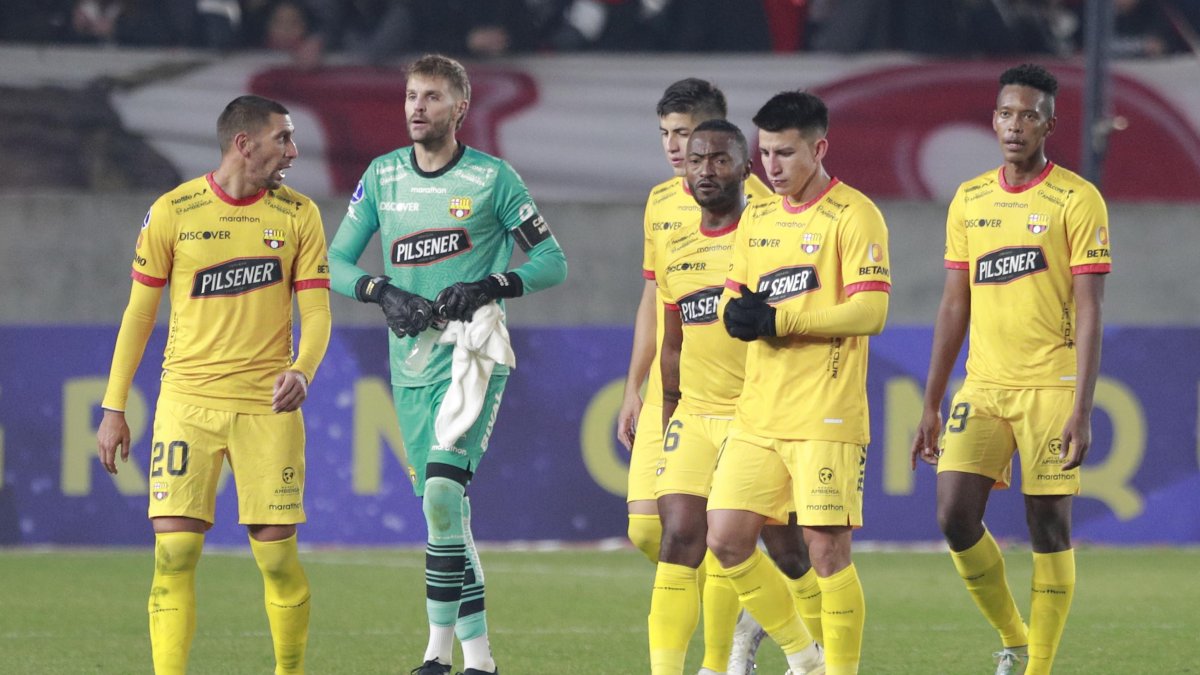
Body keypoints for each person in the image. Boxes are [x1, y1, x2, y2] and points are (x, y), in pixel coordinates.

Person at [327, 54, 567, 675]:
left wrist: (492, 284)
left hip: (473, 357)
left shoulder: (493, 179)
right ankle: (481, 663)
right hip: (409, 365)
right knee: (445, 512)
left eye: (432, 97)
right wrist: (382, 291)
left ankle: (436, 657)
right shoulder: (382, 177)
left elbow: (552, 261)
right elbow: (338, 262)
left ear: (460, 108)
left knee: (440, 493)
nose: (416, 107)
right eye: (411, 95)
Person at [96, 94, 331, 674]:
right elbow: (139, 315)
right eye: (283, 139)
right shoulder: (174, 211)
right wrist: (114, 405)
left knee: (276, 559)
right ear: (244, 144)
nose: (293, 151)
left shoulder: (299, 214)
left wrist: (302, 369)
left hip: (265, 408)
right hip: (187, 403)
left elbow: (319, 313)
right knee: (174, 555)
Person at [910, 63, 1110, 675]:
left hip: (1051, 385)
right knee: (953, 515)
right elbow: (954, 304)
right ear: (992, 120)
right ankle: (1014, 636)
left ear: (1049, 123)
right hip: (985, 386)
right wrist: (932, 399)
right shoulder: (971, 198)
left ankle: (1038, 666)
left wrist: (1081, 408)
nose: (1014, 124)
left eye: (1028, 114)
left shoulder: (1076, 199)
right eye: (1004, 113)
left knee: (1047, 524)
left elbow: (1090, 308)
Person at [621, 78, 818, 675]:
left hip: (758, 407)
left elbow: (793, 310)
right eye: (672, 139)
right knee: (660, 531)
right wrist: (643, 387)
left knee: (780, 545)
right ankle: (718, 655)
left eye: (695, 141)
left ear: (737, 157)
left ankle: (793, 652)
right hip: (683, 400)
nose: (683, 154)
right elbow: (661, 307)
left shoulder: (769, 217)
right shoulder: (664, 208)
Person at [707, 90, 892, 675]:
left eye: (785, 154)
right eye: (764, 153)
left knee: (826, 551)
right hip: (759, 413)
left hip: (825, 413)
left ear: (819, 148)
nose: (771, 167)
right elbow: (737, 296)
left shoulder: (855, 215)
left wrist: (781, 319)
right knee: (727, 539)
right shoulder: (757, 215)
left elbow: (871, 313)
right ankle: (802, 654)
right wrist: (732, 313)